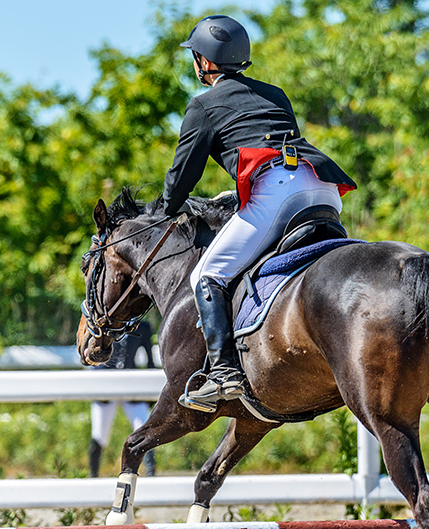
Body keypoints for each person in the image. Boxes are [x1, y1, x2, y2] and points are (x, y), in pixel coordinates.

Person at [162, 15, 358, 412]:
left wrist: (166, 207)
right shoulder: (276, 94)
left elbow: (182, 177)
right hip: (320, 186)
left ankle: (223, 375)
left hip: (276, 195)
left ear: (203, 61)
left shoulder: (203, 105)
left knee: (207, 274)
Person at [89, 320, 157, 477]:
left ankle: (152, 475)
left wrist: (149, 393)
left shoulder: (143, 327)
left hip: (131, 385)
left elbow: (150, 361)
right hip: (106, 385)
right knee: (100, 433)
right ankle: (93, 477)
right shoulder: (102, 322)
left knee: (144, 428)